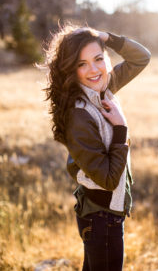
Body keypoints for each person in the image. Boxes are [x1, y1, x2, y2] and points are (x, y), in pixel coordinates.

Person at [42, 23, 151, 271]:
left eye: (98, 59)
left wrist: (106, 37)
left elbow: (142, 57)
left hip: (105, 214)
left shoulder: (102, 88)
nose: (93, 69)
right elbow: (108, 180)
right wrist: (121, 129)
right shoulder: (79, 114)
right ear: (71, 69)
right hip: (101, 217)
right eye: (82, 64)